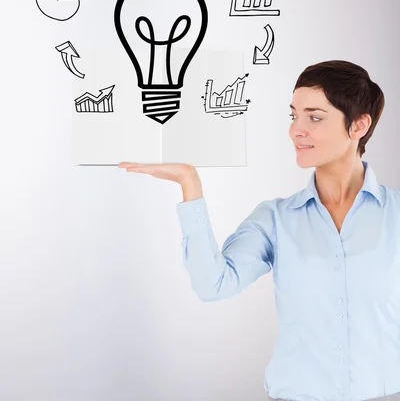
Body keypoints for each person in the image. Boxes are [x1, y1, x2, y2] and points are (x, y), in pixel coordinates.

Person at [118, 59, 400, 401]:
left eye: (315, 117)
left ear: (358, 125)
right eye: (293, 115)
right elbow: (213, 285)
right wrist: (189, 183)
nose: (296, 129)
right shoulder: (276, 219)